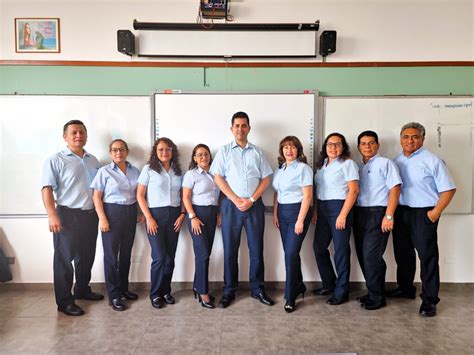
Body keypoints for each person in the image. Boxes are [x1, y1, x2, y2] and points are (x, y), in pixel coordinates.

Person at [389, 122, 456, 317]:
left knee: (427, 257)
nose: (410, 140)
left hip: (423, 213)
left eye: (415, 137)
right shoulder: (397, 160)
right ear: (400, 139)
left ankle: (429, 301)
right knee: (403, 254)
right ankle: (406, 288)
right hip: (401, 212)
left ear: (422, 139)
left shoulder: (432, 160)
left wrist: (435, 213)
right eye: (406, 137)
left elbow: (449, 189)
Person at [210, 111, 274, 308]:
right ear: (232, 129)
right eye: (236, 125)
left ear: (249, 128)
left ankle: (258, 289)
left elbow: (266, 178)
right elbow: (218, 177)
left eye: (243, 125)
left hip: (254, 206)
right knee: (230, 250)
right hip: (231, 206)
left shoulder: (258, 152)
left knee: (256, 249)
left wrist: (252, 199)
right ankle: (229, 291)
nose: (240, 129)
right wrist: (236, 199)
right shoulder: (224, 151)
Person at [41, 120, 103, 317]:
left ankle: (82, 290)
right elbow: (46, 189)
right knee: (64, 260)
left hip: (90, 215)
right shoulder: (55, 160)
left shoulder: (93, 160)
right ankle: (65, 302)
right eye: (74, 132)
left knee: (86, 257)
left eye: (82, 132)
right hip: (67, 215)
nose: (78, 136)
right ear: (65, 137)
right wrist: (52, 214)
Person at [90, 139, 144, 312]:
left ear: (127, 151)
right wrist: (102, 219)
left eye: (121, 149)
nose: (118, 152)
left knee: (126, 254)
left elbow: (139, 195)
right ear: (110, 153)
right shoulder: (104, 172)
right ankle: (113, 295)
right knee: (111, 256)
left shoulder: (135, 171)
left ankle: (123, 289)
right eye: (114, 150)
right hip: (111, 214)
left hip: (130, 213)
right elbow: (96, 197)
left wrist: (140, 212)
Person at [353, 131, 402, 310]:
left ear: (378, 145)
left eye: (371, 143)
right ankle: (374, 291)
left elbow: (395, 189)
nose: (367, 146)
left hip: (378, 213)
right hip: (359, 214)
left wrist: (389, 216)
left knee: (371, 256)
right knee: (363, 255)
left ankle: (377, 297)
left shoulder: (386, 163)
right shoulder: (357, 166)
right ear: (359, 147)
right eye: (364, 143)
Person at [137, 137, 185, 309]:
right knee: (159, 257)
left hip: (174, 215)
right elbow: (140, 195)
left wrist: (182, 214)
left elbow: (183, 195)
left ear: (173, 151)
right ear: (155, 152)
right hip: (155, 216)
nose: (165, 152)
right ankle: (155, 294)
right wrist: (149, 217)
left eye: (168, 149)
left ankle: (166, 290)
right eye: (161, 149)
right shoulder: (148, 169)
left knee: (170, 257)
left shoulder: (178, 171)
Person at [312, 132, 359, 305]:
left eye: (338, 144)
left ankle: (342, 291)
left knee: (340, 251)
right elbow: (318, 191)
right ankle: (329, 284)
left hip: (340, 208)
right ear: (325, 147)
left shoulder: (348, 164)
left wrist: (343, 215)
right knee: (318, 247)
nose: (333, 147)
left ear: (343, 147)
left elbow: (353, 191)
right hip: (323, 209)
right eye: (330, 144)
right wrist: (316, 211)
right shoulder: (322, 165)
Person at [272, 136, 313, 313]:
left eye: (293, 147)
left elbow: (308, 196)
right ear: (282, 151)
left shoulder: (303, 169)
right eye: (286, 147)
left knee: (290, 254)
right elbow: (277, 193)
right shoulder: (280, 170)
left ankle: (290, 297)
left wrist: (300, 220)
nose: (289, 150)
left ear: (298, 150)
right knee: (291, 254)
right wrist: (275, 214)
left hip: (298, 212)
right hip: (282, 213)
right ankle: (298, 285)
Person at [182, 144, 221, 309]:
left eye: (206, 154)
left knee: (205, 254)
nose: (203, 157)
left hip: (212, 214)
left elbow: (220, 195)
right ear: (194, 158)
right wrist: (192, 217)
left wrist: (219, 214)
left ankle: (198, 287)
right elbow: (185, 197)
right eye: (199, 155)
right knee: (203, 254)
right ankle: (203, 292)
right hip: (197, 215)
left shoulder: (216, 174)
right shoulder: (191, 175)